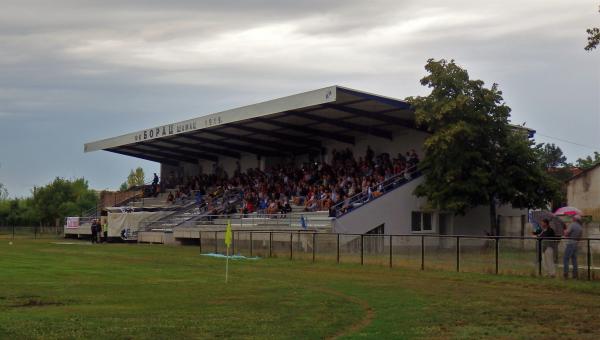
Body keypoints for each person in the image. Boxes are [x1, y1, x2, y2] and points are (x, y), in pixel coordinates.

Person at [563, 215, 583, 279]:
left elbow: (566, 234)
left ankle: (566, 274)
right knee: (574, 259)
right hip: (576, 243)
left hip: (570, 243)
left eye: (573, 218)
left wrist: (565, 231)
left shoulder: (572, 225)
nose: (572, 219)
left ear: (574, 219)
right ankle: (575, 275)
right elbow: (580, 237)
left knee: (566, 258)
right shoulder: (580, 227)